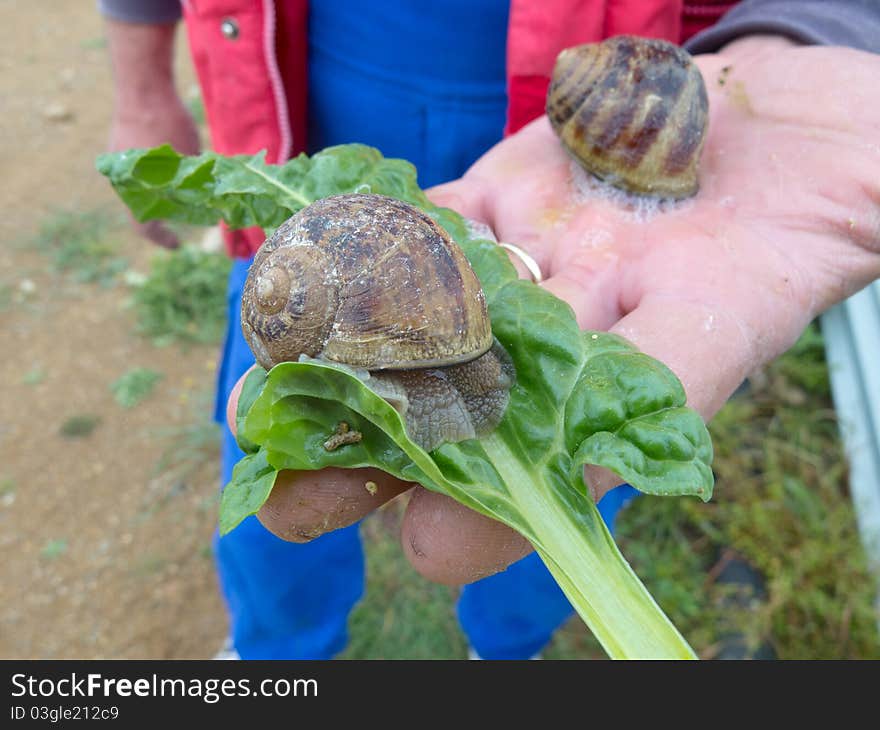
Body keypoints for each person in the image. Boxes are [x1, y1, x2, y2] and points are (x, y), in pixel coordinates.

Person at [101, 0, 880, 659]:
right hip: (316, 89)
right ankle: (276, 652)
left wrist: (815, 22)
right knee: (285, 448)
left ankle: (506, 644)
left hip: (546, 102)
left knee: (566, 435)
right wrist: (139, 77)